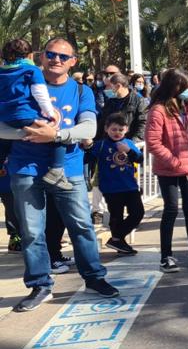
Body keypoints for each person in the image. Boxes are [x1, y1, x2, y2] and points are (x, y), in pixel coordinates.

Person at [0, 37, 120, 312]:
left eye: (63, 57)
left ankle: (94, 278)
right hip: (25, 170)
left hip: (70, 171)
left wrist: (55, 135)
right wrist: (30, 134)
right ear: (41, 57)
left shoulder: (81, 91)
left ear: (73, 62)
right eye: (51, 54)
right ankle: (39, 285)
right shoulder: (20, 80)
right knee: (31, 232)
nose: (56, 60)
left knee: (81, 227)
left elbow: (88, 129)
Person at [145, 69, 188, 272]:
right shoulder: (158, 110)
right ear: (174, 88)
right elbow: (153, 142)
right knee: (171, 209)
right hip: (168, 169)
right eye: (184, 87)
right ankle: (166, 256)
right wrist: (175, 162)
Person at [0, 38, 68, 189]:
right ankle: (56, 170)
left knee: (4, 141)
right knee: (57, 135)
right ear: (29, 55)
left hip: (5, 117)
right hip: (25, 114)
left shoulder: (1, 71)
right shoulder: (31, 70)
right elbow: (40, 94)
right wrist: (50, 113)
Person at [91, 112, 144, 255]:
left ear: (126, 129)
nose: (117, 133)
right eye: (114, 129)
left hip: (130, 186)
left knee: (138, 213)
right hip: (111, 188)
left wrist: (128, 151)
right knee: (116, 217)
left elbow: (140, 159)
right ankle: (120, 244)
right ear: (106, 129)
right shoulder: (101, 145)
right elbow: (89, 157)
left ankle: (116, 238)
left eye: (121, 129)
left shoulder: (128, 143)